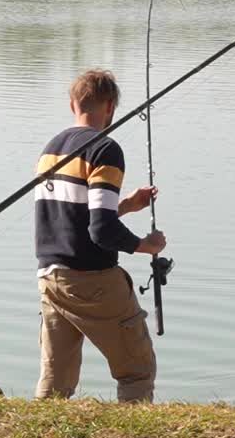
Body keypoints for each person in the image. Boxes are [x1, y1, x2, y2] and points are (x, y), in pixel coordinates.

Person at [33, 69, 166, 403]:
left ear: (72, 104)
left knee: (55, 380)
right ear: (109, 106)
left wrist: (126, 206)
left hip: (51, 277)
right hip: (91, 280)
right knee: (137, 368)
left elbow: (76, 217)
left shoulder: (51, 149)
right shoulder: (104, 150)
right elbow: (101, 230)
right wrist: (144, 246)